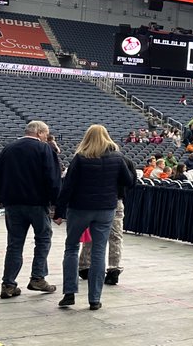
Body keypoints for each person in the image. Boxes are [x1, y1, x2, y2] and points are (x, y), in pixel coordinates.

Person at [55, 125, 136, 310]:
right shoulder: (117, 157)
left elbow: (67, 186)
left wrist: (59, 211)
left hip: (80, 209)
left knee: (71, 248)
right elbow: (129, 181)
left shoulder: (80, 158)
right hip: (106, 209)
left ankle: (69, 293)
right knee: (99, 252)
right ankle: (94, 299)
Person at [0, 120, 62, 299]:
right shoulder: (45, 149)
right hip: (37, 205)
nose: (47, 137)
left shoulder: (9, 148)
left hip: (13, 205)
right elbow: (53, 180)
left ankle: (8, 284)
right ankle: (38, 277)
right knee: (43, 239)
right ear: (39, 133)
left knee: (14, 244)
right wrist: (57, 206)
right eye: (46, 133)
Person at [79, 149, 137, 286]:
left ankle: (84, 266)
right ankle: (113, 269)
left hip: (94, 201)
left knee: (92, 234)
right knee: (116, 236)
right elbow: (132, 182)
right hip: (115, 200)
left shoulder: (92, 157)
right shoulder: (124, 160)